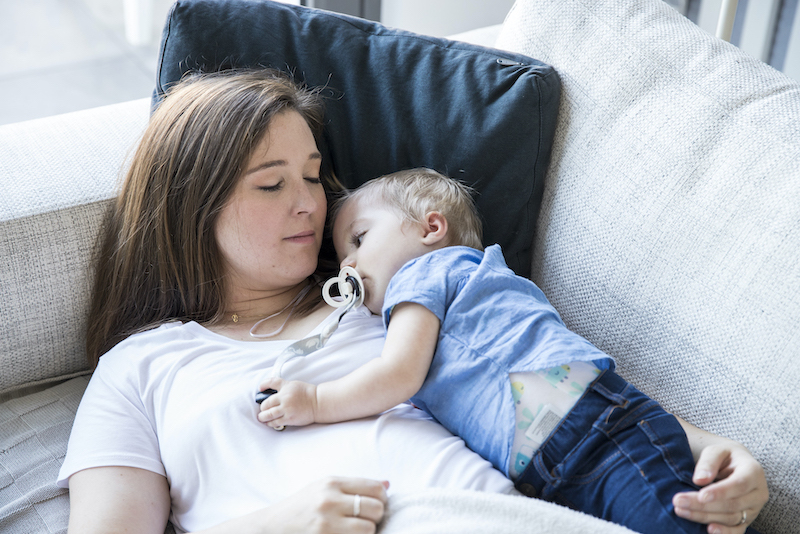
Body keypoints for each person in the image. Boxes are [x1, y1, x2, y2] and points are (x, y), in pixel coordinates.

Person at [57, 69, 766, 534]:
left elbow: (551, 377)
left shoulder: (390, 296)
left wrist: (713, 455)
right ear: (191, 204)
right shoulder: (142, 368)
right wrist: (280, 524)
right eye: (272, 185)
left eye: (313, 176)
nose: (309, 203)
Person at [258, 168, 769, 534]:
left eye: (359, 240)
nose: (347, 265)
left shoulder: (427, 274)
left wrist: (316, 401)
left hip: (589, 431)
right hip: (558, 460)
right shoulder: (453, 292)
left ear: (431, 229)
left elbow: (398, 375)